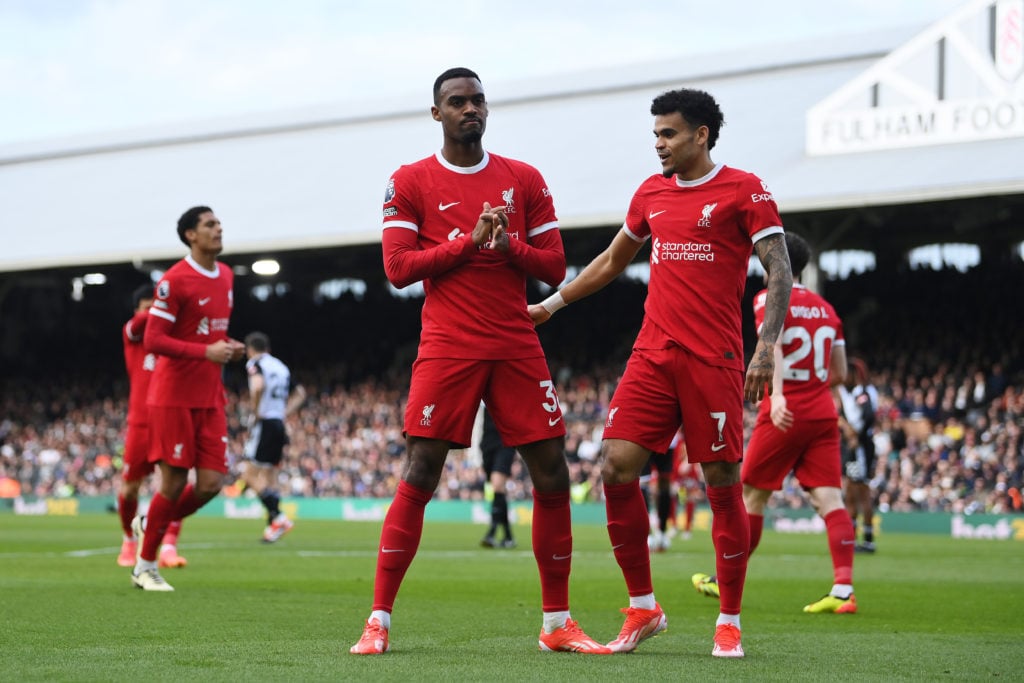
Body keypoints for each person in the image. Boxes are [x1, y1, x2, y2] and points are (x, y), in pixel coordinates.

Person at [349, 67, 609, 656]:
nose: (471, 108)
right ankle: (379, 620)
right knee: (420, 471)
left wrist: (505, 244)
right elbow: (396, 269)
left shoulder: (524, 178)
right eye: (457, 101)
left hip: (517, 341)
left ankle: (557, 623)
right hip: (449, 344)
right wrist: (467, 242)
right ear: (436, 113)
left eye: (478, 100)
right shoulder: (410, 179)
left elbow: (553, 266)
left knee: (552, 473)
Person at [530, 87, 793, 658]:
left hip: (713, 358)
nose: (659, 145)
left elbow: (780, 270)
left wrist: (765, 346)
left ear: (701, 134)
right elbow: (609, 262)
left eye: (669, 134)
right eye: (655, 135)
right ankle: (644, 607)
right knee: (616, 467)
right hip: (652, 354)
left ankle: (728, 620)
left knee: (722, 484)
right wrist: (550, 306)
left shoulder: (745, 190)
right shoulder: (650, 193)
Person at [692, 231, 858, 615]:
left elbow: (775, 341)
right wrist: (816, 385)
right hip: (821, 411)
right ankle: (844, 590)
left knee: (751, 495)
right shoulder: (828, 311)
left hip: (785, 410)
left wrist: (779, 393)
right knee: (830, 500)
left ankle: (723, 581)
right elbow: (841, 372)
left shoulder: (767, 297)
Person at [131, 205, 245, 591]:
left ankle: (151, 523)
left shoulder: (227, 276)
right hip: (173, 396)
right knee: (174, 482)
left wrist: (229, 347)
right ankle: (145, 566)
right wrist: (206, 352)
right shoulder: (174, 281)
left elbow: (205, 334)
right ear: (190, 235)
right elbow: (154, 339)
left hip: (210, 395)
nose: (218, 228)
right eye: (209, 224)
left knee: (212, 483)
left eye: (218, 223)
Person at [115, 283, 187, 570]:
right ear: (138, 310)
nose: (154, 315)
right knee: (130, 488)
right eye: (148, 308)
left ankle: (168, 546)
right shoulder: (134, 333)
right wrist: (162, 304)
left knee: (176, 485)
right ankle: (129, 539)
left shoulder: (172, 337)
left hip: (170, 420)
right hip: (141, 423)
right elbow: (138, 325)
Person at [241, 331, 306, 543]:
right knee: (269, 479)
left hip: (265, 423)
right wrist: (285, 412)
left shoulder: (255, 363)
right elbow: (301, 393)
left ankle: (279, 518)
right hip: (279, 423)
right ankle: (273, 529)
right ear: (268, 348)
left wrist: (255, 409)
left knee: (249, 476)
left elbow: (258, 385)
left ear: (250, 349)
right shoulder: (281, 367)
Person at [838, 357, 880, 553]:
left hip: (861, 448)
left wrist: (857, 435)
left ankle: (864, 541)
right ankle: (859, 540)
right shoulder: (856, 393)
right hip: (859, 447)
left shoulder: (861, 393)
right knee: (855, 494)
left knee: (859, 494)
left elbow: (869, 415)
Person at [479, 406, 517, 549]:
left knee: (497, 485)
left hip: (505, 442)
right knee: (498, 491)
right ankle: (508, 537)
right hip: (487, 444)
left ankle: (492, 532)